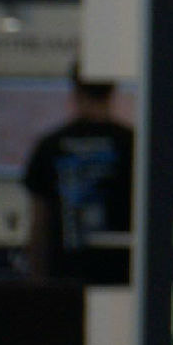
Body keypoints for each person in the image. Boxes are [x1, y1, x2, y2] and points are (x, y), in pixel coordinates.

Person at [21, 74, 138, 287]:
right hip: (121, 272)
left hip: (64, 272)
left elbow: (40, 219)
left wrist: (36, 279)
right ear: (113, 90)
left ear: (76, 90)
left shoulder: (50, 145)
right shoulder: (132, 144)